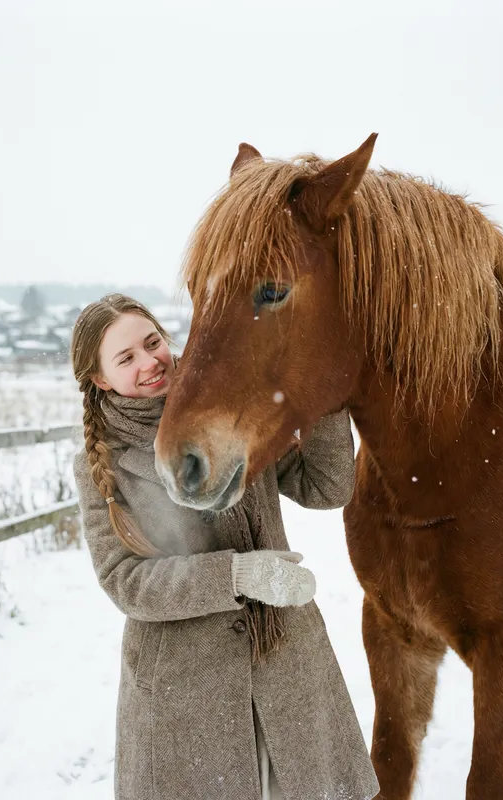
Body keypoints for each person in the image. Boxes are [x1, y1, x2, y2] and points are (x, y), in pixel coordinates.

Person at [71, 293, 379, 800]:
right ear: (101, 379)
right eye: (126, 359)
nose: (149, 362)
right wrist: (235, 577)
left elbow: (325, 487)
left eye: (152, 343)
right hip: (186, 691)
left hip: (286, 665)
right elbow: (124, 580)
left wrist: (324, 390)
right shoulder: (100, 463)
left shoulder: (232, 408)